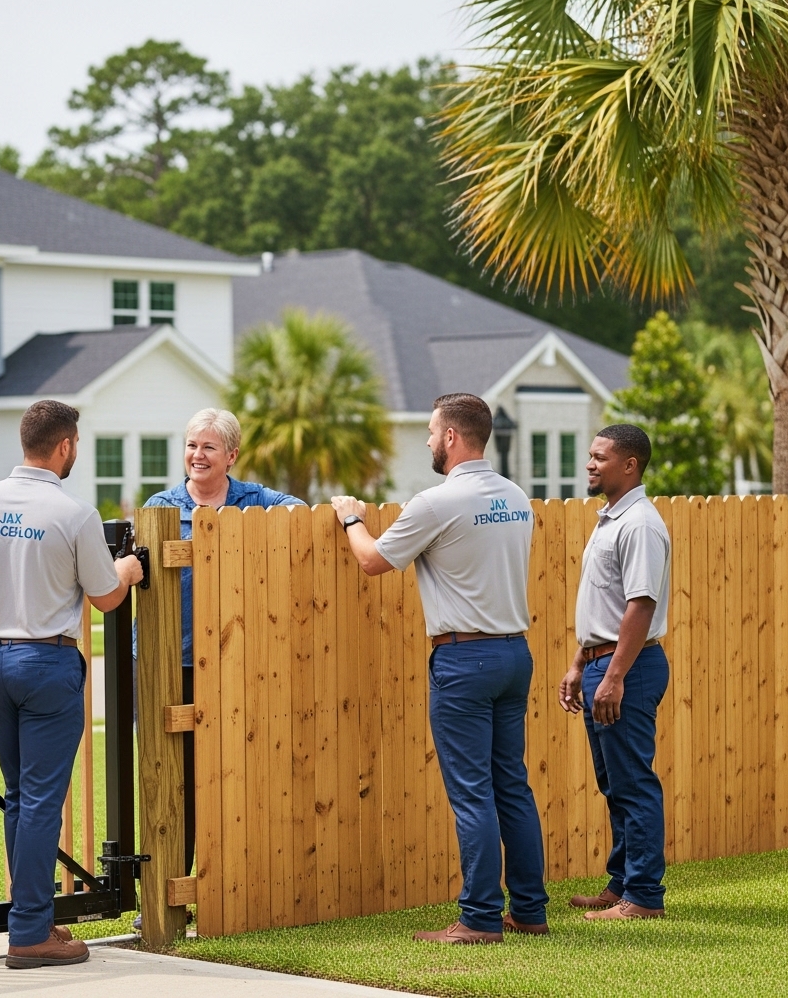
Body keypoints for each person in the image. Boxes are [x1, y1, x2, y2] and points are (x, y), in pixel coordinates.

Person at [332, 393, 548, 945]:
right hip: (513, 653)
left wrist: (352, 518)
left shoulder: (437, 502)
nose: (428, 440)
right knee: (512, 788)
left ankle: (478, 918)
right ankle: (528, 910)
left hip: (463, 658)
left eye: (431, 432)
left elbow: (373, 561)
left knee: (473, 793)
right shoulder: (517, 497)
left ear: (452, 437)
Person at [0, 400, 142, 969]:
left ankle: (34, 918)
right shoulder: (74, 513)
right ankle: (30, 934)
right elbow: (106, 596)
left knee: (19, 798)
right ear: (64, 446)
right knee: (40, 803)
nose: (76, 453)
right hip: (47, 663)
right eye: (77, 445)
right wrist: (129, 570)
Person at [141, 408, 304, 876]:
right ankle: (168, 882)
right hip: (169, 660)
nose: (198, 455)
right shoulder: (162, 507)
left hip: (232, 664)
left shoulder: (254, 500)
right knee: (169, 778)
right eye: (192, 445)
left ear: (231, 455)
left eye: (209, 447)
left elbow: (302, 514)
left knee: (231, 773)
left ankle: (227, 885)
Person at [558, 424, 671, 921]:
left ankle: (643, 897)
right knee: (614, 782)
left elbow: (640, 605)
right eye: (591, 455)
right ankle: (622, 882)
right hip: (601, 663)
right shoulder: (610, 518)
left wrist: (615, 674)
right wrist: (580, 662)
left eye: (600, 457)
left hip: (629, 668)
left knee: (633, 782)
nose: (590, 464)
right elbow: (604, 603)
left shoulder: (640, 523)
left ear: (630, 465)